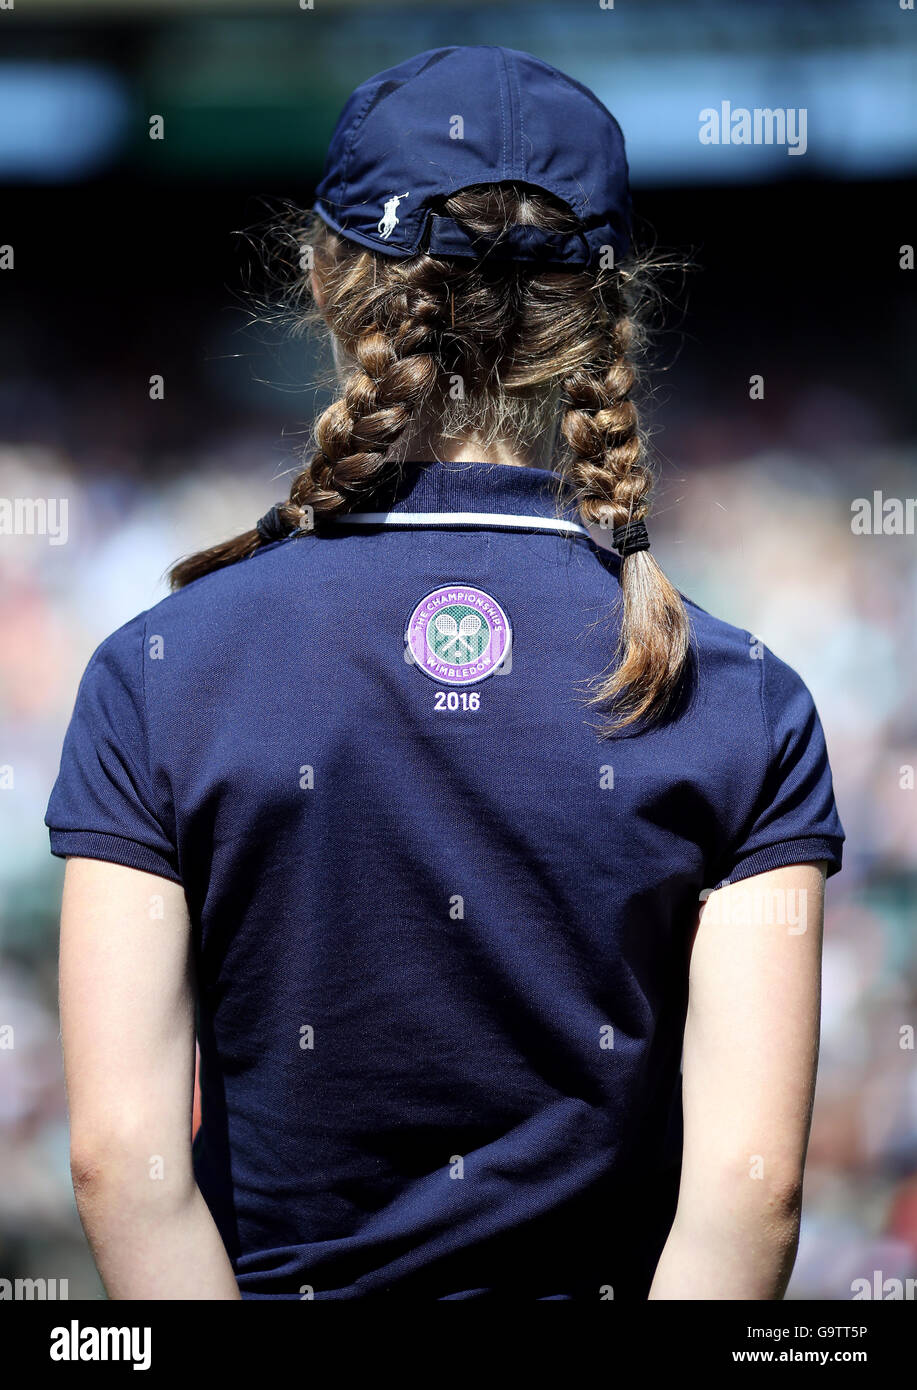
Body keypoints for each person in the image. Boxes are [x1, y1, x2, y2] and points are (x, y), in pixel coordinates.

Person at [45, 45, 845, 1301]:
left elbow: (118, 1163)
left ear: (326, 279)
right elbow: (754, 1192)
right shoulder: (739, 690)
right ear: (604, 307)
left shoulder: (161, 666)